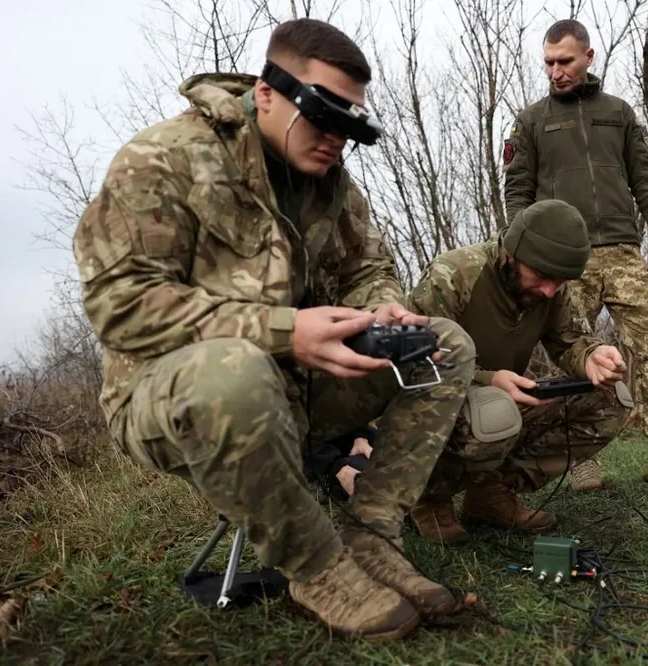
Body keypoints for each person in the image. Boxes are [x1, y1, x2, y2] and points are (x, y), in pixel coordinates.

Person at [71, 18, 477, 641]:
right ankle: (316, 567)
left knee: (441, 345)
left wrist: (383, 310)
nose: (335, 140)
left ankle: (370, 535)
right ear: (266, 92)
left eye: (350, 126)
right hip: (173, 394)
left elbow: (369, 268)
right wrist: (283, 331)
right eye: (322, 117)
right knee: (234, 371)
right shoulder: (165, 161)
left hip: (301, 386)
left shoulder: (331, 184)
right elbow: (118, 304)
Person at [502, 18, 648, 490]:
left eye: (565, 61)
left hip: (622, 251)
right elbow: (516, 190)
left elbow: (646, 180)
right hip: (564, 261)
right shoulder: (532, 120)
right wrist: (519, 247)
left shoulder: (618, 113)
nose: (556, 71)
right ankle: (580, 460)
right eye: (549, 63)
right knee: (576, 360)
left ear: (588, 57)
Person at [405, 199, 634, 544]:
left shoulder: (551, 289)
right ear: (511, 253)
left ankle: (490, 492)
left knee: (609, 398)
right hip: (436, 409)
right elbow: (411, 362)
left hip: (502, 405)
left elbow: (568, 339)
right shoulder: (453, 275)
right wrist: (486, 379)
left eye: (558, 282)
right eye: (541, 277)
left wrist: (591, 356)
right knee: (493, 410)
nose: (548, 291)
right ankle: (428, 498)